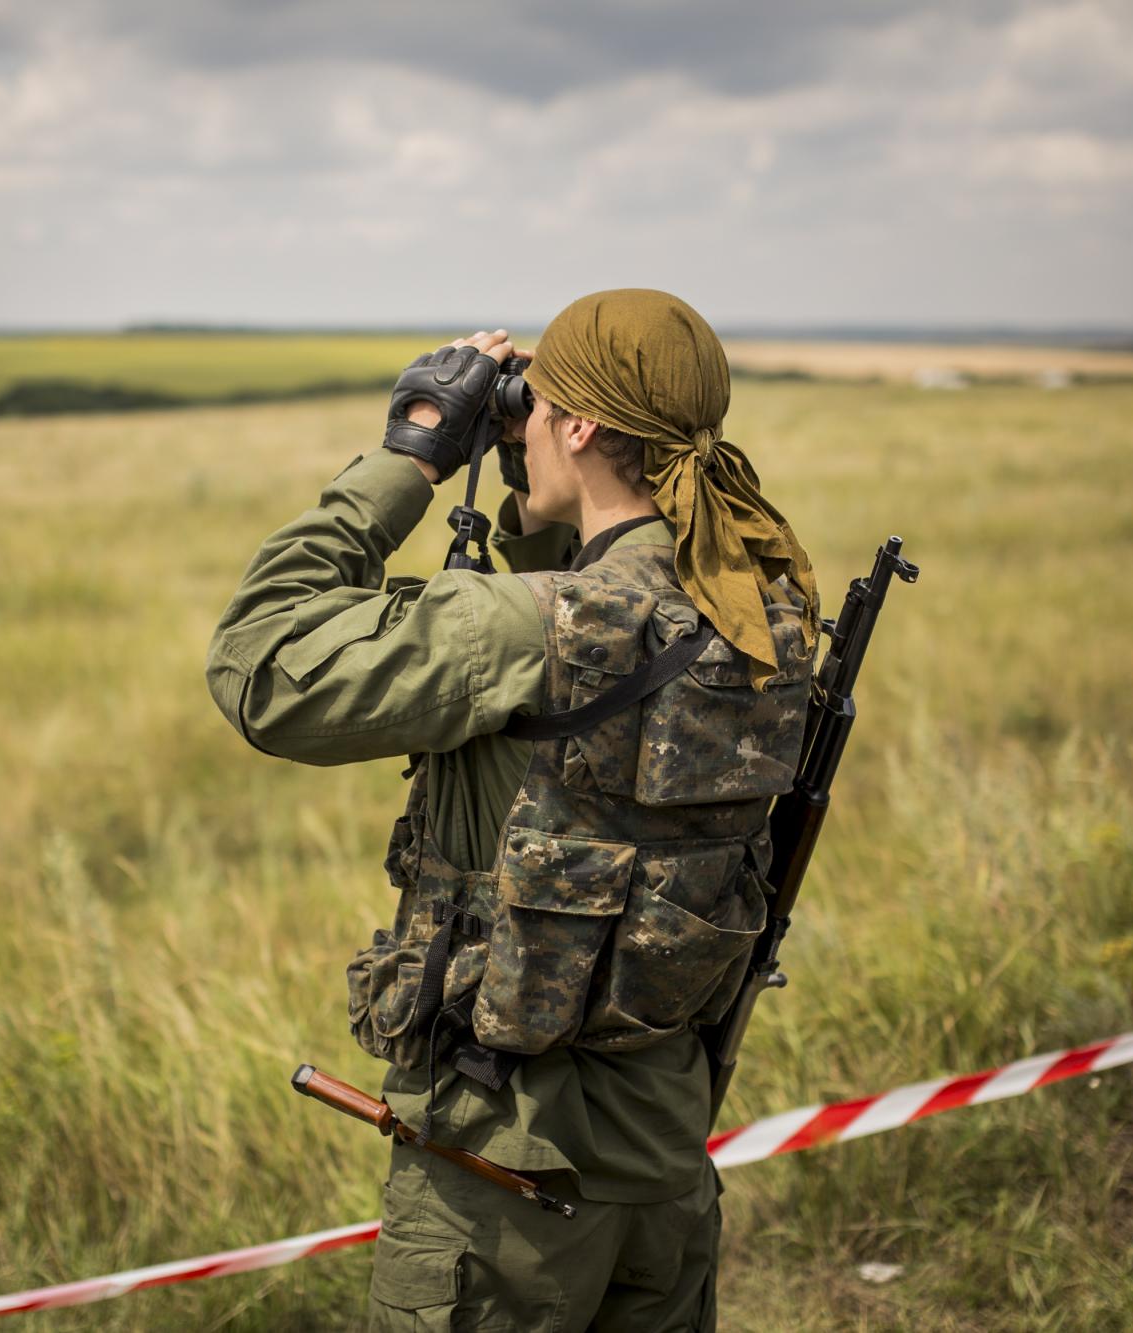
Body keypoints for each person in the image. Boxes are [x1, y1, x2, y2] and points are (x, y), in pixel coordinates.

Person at [207, 290, 817, 1331]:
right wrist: (537, 492)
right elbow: (594, 689)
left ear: (575, 426)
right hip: (663, 1159)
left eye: (535, 410)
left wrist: (409, 459)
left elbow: (259, 668)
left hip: (501, 1177)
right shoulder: (756, 607)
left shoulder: (517, 629)